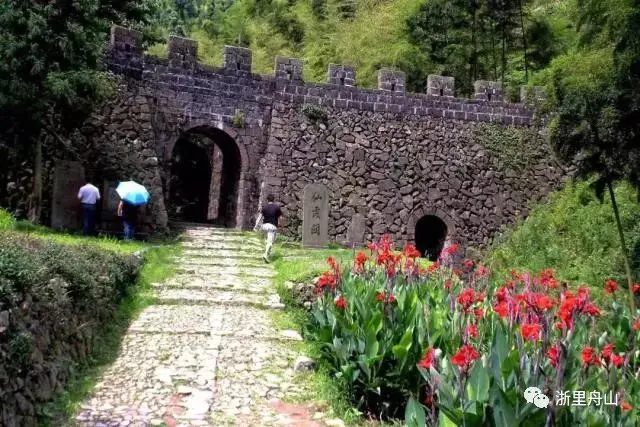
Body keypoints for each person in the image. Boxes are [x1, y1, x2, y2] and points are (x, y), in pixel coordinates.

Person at [253, 194, 283, 263]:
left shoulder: (264, 208)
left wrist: (255, 226)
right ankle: (266, 255)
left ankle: (266, 251)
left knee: (267, 241)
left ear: (267, 200)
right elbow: (280, 218)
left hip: (264, 227)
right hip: (272, 227)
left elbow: (259, 218)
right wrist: (281, 227)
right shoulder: (277, 208)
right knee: (270, 242)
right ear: (273, 200)